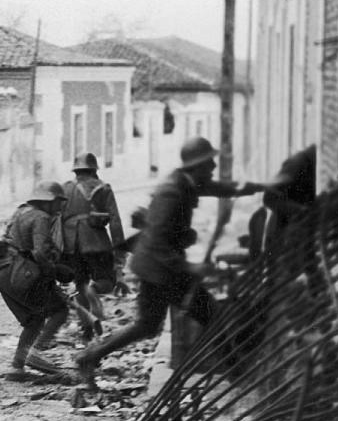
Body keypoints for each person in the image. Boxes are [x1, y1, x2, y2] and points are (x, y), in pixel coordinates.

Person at [75, 136, 266, 385]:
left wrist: (258, 187)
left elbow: (218, 188)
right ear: (197, 166)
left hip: (163, 267)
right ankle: (237, 372)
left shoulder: (187, 181)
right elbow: (157, 241)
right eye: (210, 163)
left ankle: (90, 357)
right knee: (203, 315)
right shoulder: (172, 192)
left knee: (152, 324)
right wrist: (191, 267)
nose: (213, 168)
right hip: (159, 266)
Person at [34, 152, 126, 349]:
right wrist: (120, 255)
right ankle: (94, 292)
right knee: (106, 280)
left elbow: (53, 218)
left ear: (75, 171)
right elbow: (115, 222)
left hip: (70, 246)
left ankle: (87, 330)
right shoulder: (103, 188)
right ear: (94, 170)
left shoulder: (65, 188)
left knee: (80, 283)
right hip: (96, 243)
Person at [0, 181, 75, 380]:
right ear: (50, 201)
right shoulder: (42, 217)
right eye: (58, 202)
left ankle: (17, 367)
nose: (60, 207)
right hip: (18, 273)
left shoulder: (21, 211)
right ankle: (35, 352)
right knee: (60, 310)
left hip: (1, 271)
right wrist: (55, 271)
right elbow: (40, 252)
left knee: (34, 319)